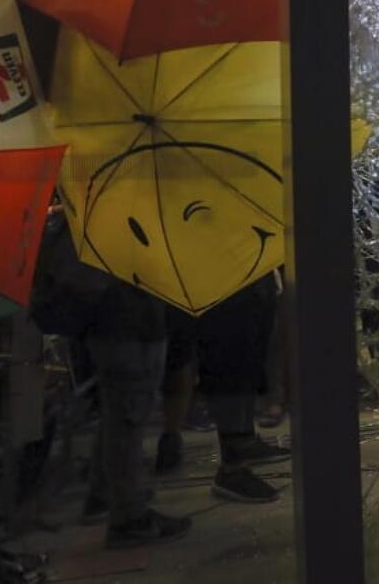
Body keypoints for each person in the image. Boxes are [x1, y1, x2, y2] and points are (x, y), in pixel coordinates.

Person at [31, 208, 191, 548]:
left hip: (117, 328)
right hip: (128, 325)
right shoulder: (120, 212)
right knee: (128, 420)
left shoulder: (96, 209)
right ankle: (129, 517)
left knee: (119, 416)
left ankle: (106, 495)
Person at [155, 273, 290, 503]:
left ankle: (243, 442)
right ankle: (232, 464)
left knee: (246, 364)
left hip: (244, 282)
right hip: (226, 289)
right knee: (230, 367)